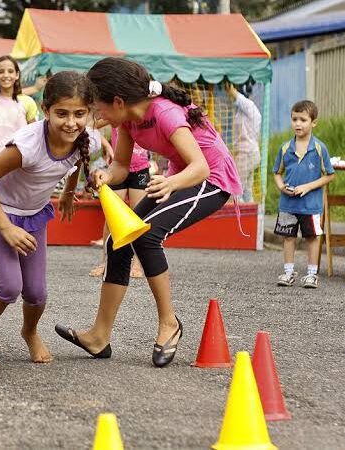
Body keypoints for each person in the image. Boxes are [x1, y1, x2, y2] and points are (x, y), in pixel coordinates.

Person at [55, 57, 242, 368]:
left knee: (146, 235)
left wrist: (170, 182)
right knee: (118, 239)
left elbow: (201, 167)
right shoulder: (126, 119)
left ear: (118, 100)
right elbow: (122, 167)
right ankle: (99, 336)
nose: (97, 114)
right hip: (178, 178)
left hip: (211, 180)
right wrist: (105, 175)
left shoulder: (165, 114)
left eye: (99, 105)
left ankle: (169, 323)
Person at [0, 71, 102, 369]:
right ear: (45, 110)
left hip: (33, 215)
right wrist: (4, 226)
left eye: (80, 114)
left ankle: (29, 331)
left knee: (37, 293)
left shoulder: (88, 140)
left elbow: (78, 160)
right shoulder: (27, 145)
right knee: (10, 286)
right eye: (62, 113)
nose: (71, 122)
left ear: (89, 112)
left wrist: (68, 192)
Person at [273, 100, 334, 289]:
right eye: (294, 119)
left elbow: (330, 176)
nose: (298, 124)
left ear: (313, 122)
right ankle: (289, 272)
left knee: (311, 238)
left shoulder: (319, 148)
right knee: (288, 237)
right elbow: (277, 172)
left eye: (303, 120)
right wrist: (281, 186)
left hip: (311, 205)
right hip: (288, 204)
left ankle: (312, 274)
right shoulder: (285, 148)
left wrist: (308, 187)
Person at [89, 127, 149, 278]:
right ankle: (105, 262)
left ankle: (137, 263)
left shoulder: (142, 114)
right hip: (117, 170)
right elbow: (91, 125)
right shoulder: (117, 114)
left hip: (140, 170)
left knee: (138, 217)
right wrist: (108, 146)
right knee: (111, 217)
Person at [225, 82, 261, 203]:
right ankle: (249, 218)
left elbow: (237, 96)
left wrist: (229, 87)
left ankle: (239, 218)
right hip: (247, 153)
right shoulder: (242, 111)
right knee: (247, 191)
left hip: (247, 153)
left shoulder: (249, 105)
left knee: (237, 190)